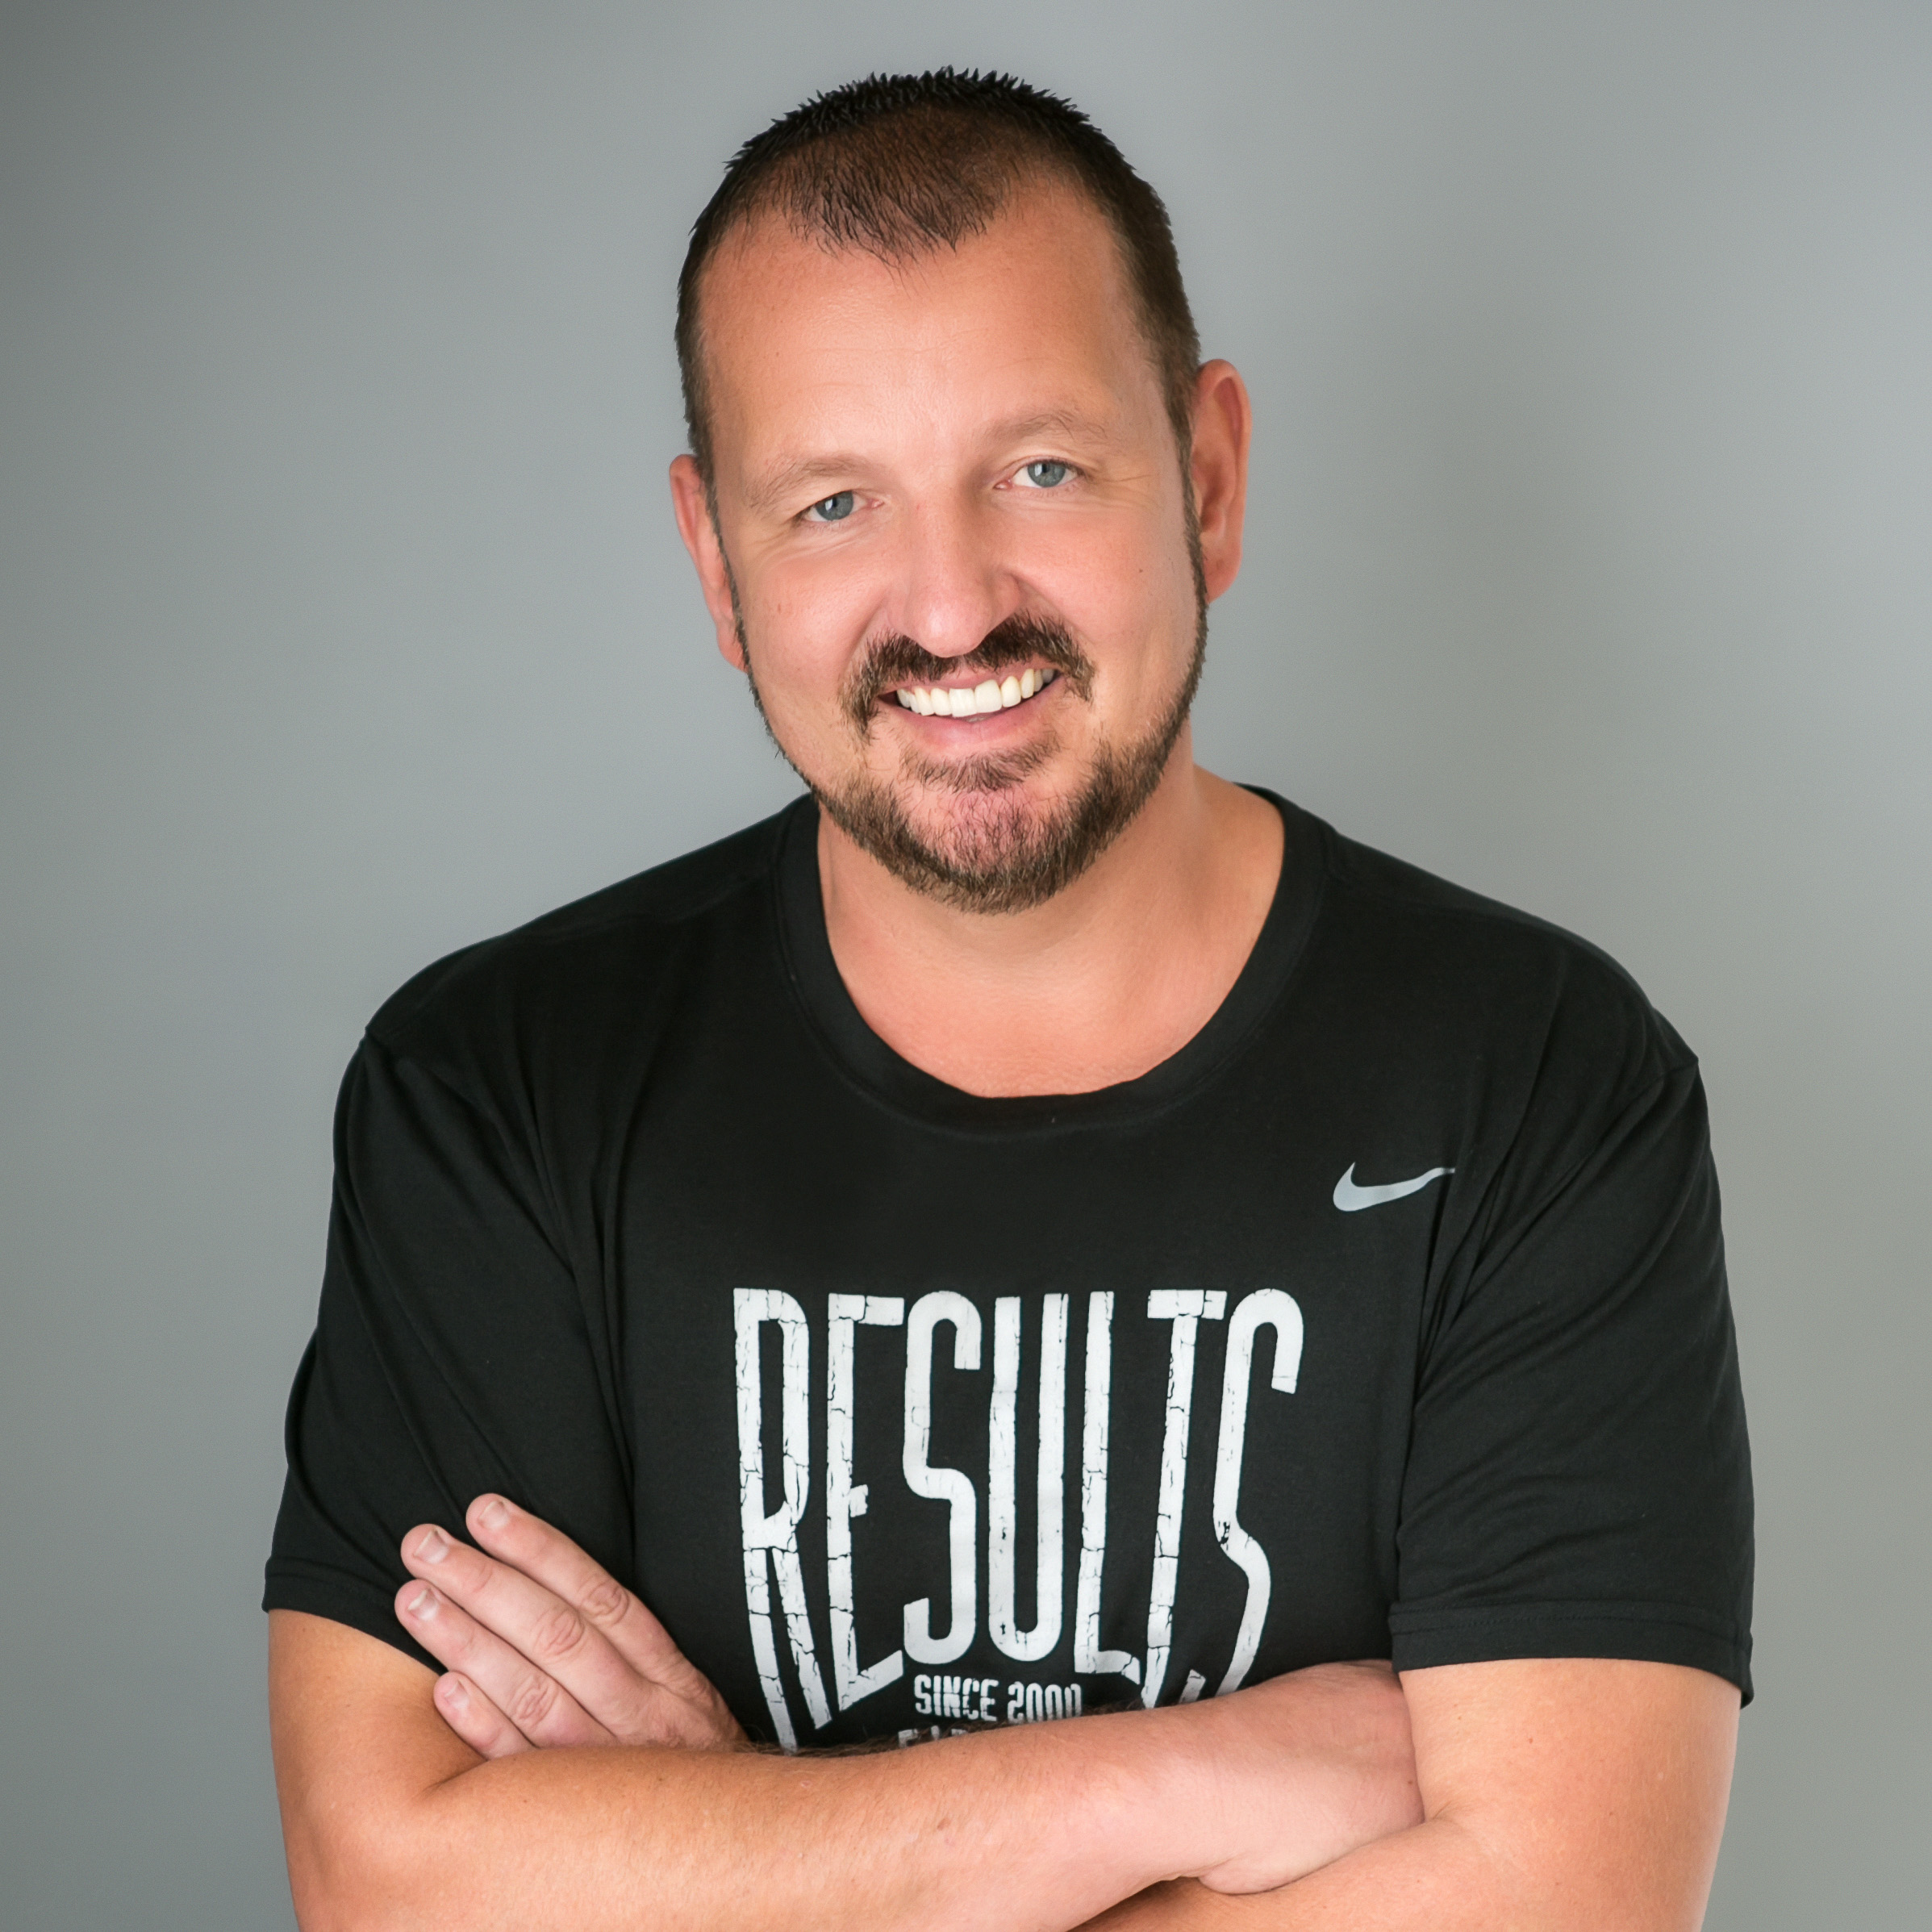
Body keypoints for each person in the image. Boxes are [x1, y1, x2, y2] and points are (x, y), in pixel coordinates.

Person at [264, 69, 1751, 1930]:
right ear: (717, 563)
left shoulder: (1534, 1083)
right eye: (831, 503)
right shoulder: (498, 1093)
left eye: (1039, 470)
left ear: (1206, 480)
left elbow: (1562, 1910)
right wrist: (1174, 1779)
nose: (953, 609)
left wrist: (720, 1852)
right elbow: (388, 1885)